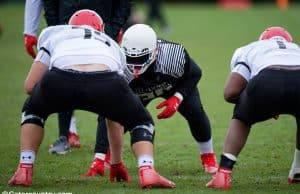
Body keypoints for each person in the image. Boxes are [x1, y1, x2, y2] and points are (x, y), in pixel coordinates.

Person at [8, 9, 175, 189]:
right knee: (141, 121)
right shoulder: (111, 44)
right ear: (100, 29)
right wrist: (116, 163)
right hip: (105, 81)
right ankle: (147, 171)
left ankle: (24, 169)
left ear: (70, 26)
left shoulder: (55, 34)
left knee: (33, 111)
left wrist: (52, 98)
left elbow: (29, 86)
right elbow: (115, 115)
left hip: (60, 78)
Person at [84, 24, 218, 177]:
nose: (135, 67)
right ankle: (104, 158)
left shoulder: (173, 55)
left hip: (171, 86)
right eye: (131, 58)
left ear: (155, 51)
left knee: (195, 112)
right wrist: (99, 157)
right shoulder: (117, 63)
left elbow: (195, 73)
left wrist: (177, 97)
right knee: (113, 115)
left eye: (141, 58)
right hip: (137, 91)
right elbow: (107, 113)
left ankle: (208, 157)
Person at [23, 0, 132, 154]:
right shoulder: (56, 36)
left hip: (102, 26)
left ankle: (102, 150)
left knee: (106, 87)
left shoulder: (111, 46)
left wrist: (115, 27)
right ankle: (65, 136)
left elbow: (29, 86)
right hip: (66, 22)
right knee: (68, 74)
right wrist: (56, 25)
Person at [206, 26, 300, 189]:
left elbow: (231, 92)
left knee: (242, 117)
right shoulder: (296, 49)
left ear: (262, 40)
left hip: (268, 78)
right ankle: (298, 170)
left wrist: (253, 104)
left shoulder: (251, 48)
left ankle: (223, 173)